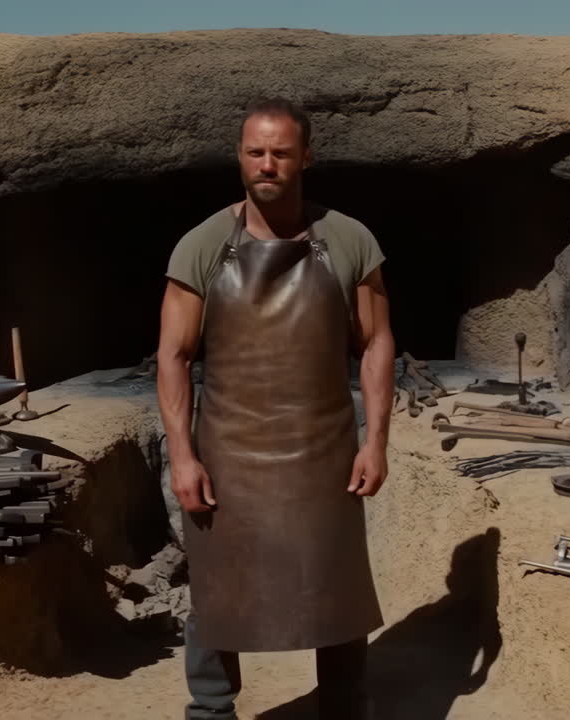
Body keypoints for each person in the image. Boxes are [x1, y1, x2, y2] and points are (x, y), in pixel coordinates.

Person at [157, 96, 395, 720]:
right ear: (240, 157)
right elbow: (173, 356)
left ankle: (343, 707)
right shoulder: (203, 245)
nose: (267, 165)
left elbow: (375, 342)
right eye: (255, 152)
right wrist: (183, 457)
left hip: (324, 452)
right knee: (216, 591)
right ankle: (211, 710)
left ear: (306, 158)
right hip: (228, 454)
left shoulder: (349, 240)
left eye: (281, 153)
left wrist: (375, 442)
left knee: (334, 585)